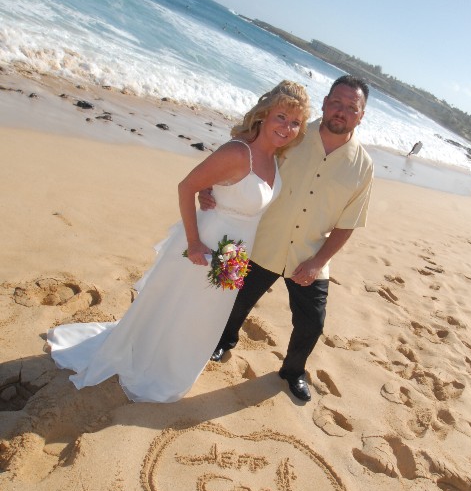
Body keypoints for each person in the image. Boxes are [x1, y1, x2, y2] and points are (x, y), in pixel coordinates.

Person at [47, 81, 311, 403]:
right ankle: (155, 364)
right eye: (281, 117)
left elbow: (223, 190)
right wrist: (194, 242)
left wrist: (210, 190)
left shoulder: (275, 159)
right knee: (179, 305)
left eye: (295, 122)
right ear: (265, 115)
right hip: (208, 241)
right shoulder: (239, 152)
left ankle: (178, 363)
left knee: (206, 313)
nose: (287, 127)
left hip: (236, 251)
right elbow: (186, 186)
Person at [204, 75, 374, 403]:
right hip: (259, 238)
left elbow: (347, 224)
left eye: (351, 107)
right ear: (324, 103)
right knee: (228, 294)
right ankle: (222, 340)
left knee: (313, 323)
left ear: (361, 115)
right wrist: (210, 188)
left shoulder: (363, 166)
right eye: (335, 102)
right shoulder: (293, 133)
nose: (341, 111)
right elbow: (247, 153)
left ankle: (293, 371)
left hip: (309, 255)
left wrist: (318, 262)